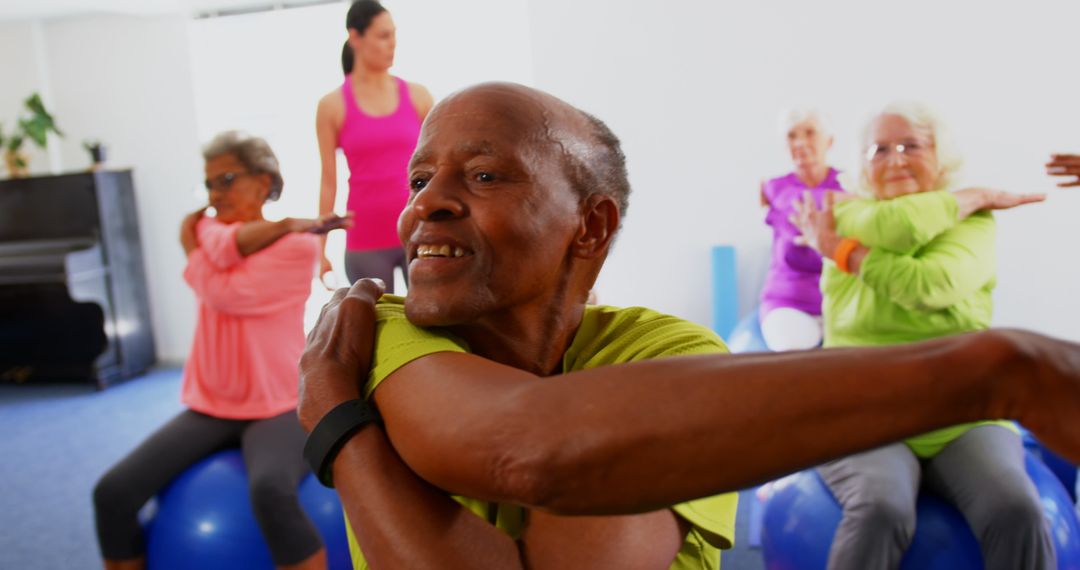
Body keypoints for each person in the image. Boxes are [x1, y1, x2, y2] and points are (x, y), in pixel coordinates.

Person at [296, 83, 1080, 570]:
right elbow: (525, 445)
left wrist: (339, 416)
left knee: (1011, 507)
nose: (425, 201)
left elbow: (537, 448)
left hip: (943, 414)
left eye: (485, 174)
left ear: (590, 227)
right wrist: (1000, 368)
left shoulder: (668, 353)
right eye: (420, 177)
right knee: (880, 504)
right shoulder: (384, 322)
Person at [792, 102, 1050, 570]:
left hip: (963, 409)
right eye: (879, 149)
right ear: (862, 165)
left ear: (940, 154)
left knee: (1018, 510)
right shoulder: (844, 213)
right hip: (863, 407)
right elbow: (906, 234)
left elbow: (930, 287)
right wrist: (964, 197)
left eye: (912, 144)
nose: (895, 159)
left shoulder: (972, 223)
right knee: (882, 509)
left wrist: (843, 252)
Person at [93, 132, 349, 570]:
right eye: (210, 183)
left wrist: (193, 251)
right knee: (113, 493)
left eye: (227, 179)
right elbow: (212, 243)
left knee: (271, 492)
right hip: (213, 403)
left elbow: (227, 295)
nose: (216, 194)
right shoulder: (213, 229)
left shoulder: (298, 245)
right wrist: (205, 243)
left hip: (281, 402)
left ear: (264, 180)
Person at [316, 0, 434, 290]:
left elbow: (439, 167)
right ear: (355, 37)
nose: (392, 44)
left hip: (419, 231)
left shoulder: (418, 96)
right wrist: (319, 250)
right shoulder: (331, 105)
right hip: (365, 239)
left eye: (393, 34)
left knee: (434, 326)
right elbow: (328, 182)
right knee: (377, 330)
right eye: (383, 36)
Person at [758, 108, 844, 351]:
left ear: (829, 141)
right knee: (792, 352)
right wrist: (854, 200)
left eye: (810, 133)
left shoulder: (847, 182)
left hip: (841, 301)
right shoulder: (777, 187)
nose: (800, 143)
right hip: (788, 302)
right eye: (791, 136)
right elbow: (797, 207)